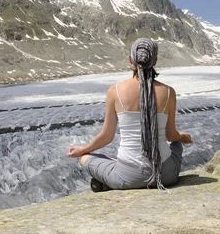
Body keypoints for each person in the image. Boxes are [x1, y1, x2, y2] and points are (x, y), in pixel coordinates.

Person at [67, 37, 193, 191]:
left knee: (85, 158)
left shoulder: (115, 91)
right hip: (165, 177)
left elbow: (106, 136)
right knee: (176, 145)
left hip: (128, 177)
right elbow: (171, 136)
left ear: (130, 60)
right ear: (155, 61)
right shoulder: (168, 92)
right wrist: (182, 137)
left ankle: (109, 179)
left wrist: (83, 149)